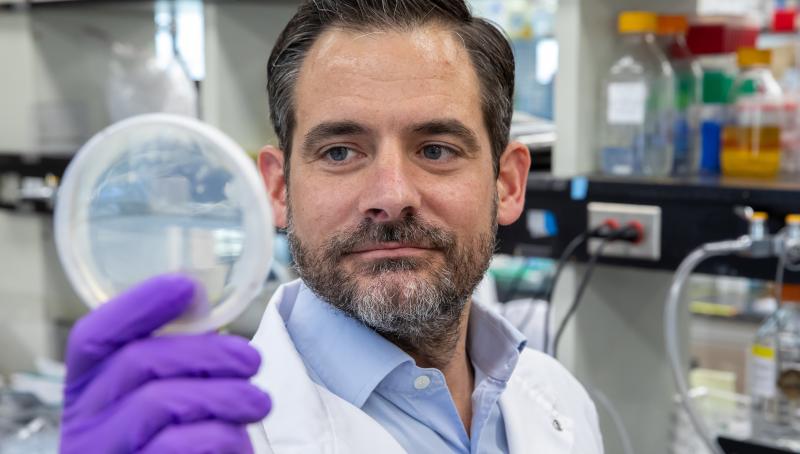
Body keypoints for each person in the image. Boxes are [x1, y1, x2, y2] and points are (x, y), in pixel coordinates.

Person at [59, 1, 604, 453]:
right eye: (340, 151)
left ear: (507, 183)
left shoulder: (558, 403)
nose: (390, 197)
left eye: (436, 149)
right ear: (278, 188)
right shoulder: (214, 436)